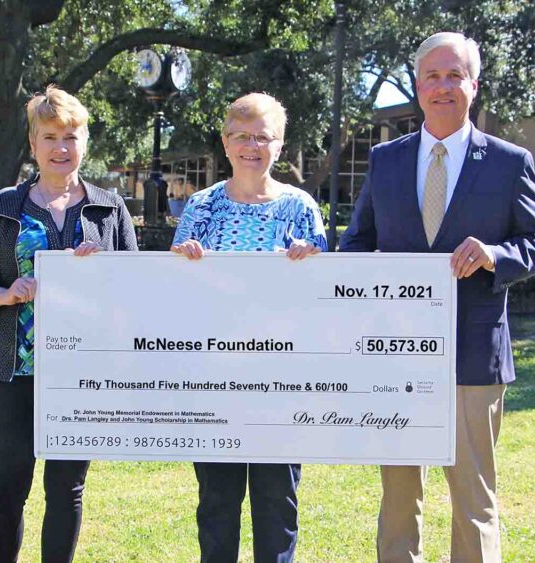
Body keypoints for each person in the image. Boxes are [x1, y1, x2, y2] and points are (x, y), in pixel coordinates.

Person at [339, 32, 535, 562]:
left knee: (473, 499)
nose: (442, 87)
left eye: (454, 75)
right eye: (432, 76)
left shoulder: (509, 162)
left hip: (473, 355)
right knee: (397, 498)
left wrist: (494, 254)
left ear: (473, 86)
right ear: (417, 87)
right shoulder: (386, 160)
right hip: (394, 355)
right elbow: (357, 241)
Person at [0, 85, 138, 562]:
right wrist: (4, 293)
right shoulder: (3, 205)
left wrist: (103, 270)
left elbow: (136, 287)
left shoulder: (109, 207)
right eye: (50, 136)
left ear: (84, 142)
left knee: (67, 490)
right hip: (17, 370)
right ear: (33, 144)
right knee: (7, 490)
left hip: (82, 376)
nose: (61, 147)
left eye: (71, 136)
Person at [171, 93, 326, 563]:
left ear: (280, 146)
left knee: (277, 501)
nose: (252, 146)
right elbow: (170, 294)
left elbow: (324, 299)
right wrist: (182, 264)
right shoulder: (200, 207)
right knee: (217, 502)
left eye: (263, 137)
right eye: (242, 136)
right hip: (213, 378)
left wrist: (311, 264)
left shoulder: (301, 208)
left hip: (282, 382)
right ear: (225, 142)